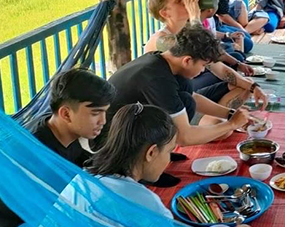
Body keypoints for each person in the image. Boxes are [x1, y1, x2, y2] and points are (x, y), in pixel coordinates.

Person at [7, 103, 253, 227]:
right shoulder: (139, 201)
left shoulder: (86, 179)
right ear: (151, 153)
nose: (168, 161)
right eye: (168, 152)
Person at [0, 68, 115, 227]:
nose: (103, 121)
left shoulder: (55, 129)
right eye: (96, 113)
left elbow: (84, 164)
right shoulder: (38, 158)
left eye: (105, 112)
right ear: (66, 114)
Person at [107, 25, 253, 149]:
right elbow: (184, 138)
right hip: (111, 142)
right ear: (187, 60)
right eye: (203, 66)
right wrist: (232, 124)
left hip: (131, 126)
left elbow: (195, 98)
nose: (203, 71)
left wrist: (230, 114)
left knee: (187, 100)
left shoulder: (166, 61)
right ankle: (146, 165)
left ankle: (163, 152)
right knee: (183, 122)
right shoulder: (157, 78)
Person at [145, 0, 252, 75]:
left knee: (232, 73)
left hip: (182, 84)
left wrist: (238, 64)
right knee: (217, 76)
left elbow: (211, 50)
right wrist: (195, 17)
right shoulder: (160, 39)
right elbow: (200, 48)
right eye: (179, 1)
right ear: (165, 13)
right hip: (163, 92)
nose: (185, 2)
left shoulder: (185, 30)